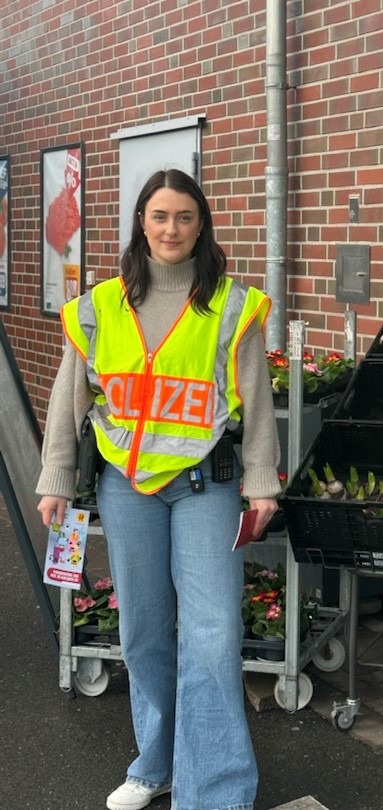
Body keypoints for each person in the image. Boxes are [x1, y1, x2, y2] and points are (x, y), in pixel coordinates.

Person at [36, 168, 281, 810]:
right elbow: (69, 400)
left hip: (206, 488)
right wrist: (56, 478)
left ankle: (217, 792)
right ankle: (157, 764)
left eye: (185, 217)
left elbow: (256, 404)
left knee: (213, 634)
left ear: (202, 226)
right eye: (160, 216)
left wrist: (263, 485)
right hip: (127, 489)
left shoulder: (231, 304)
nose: (172, 229)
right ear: (141, 222)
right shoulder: (98, 306)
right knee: (144, 631)